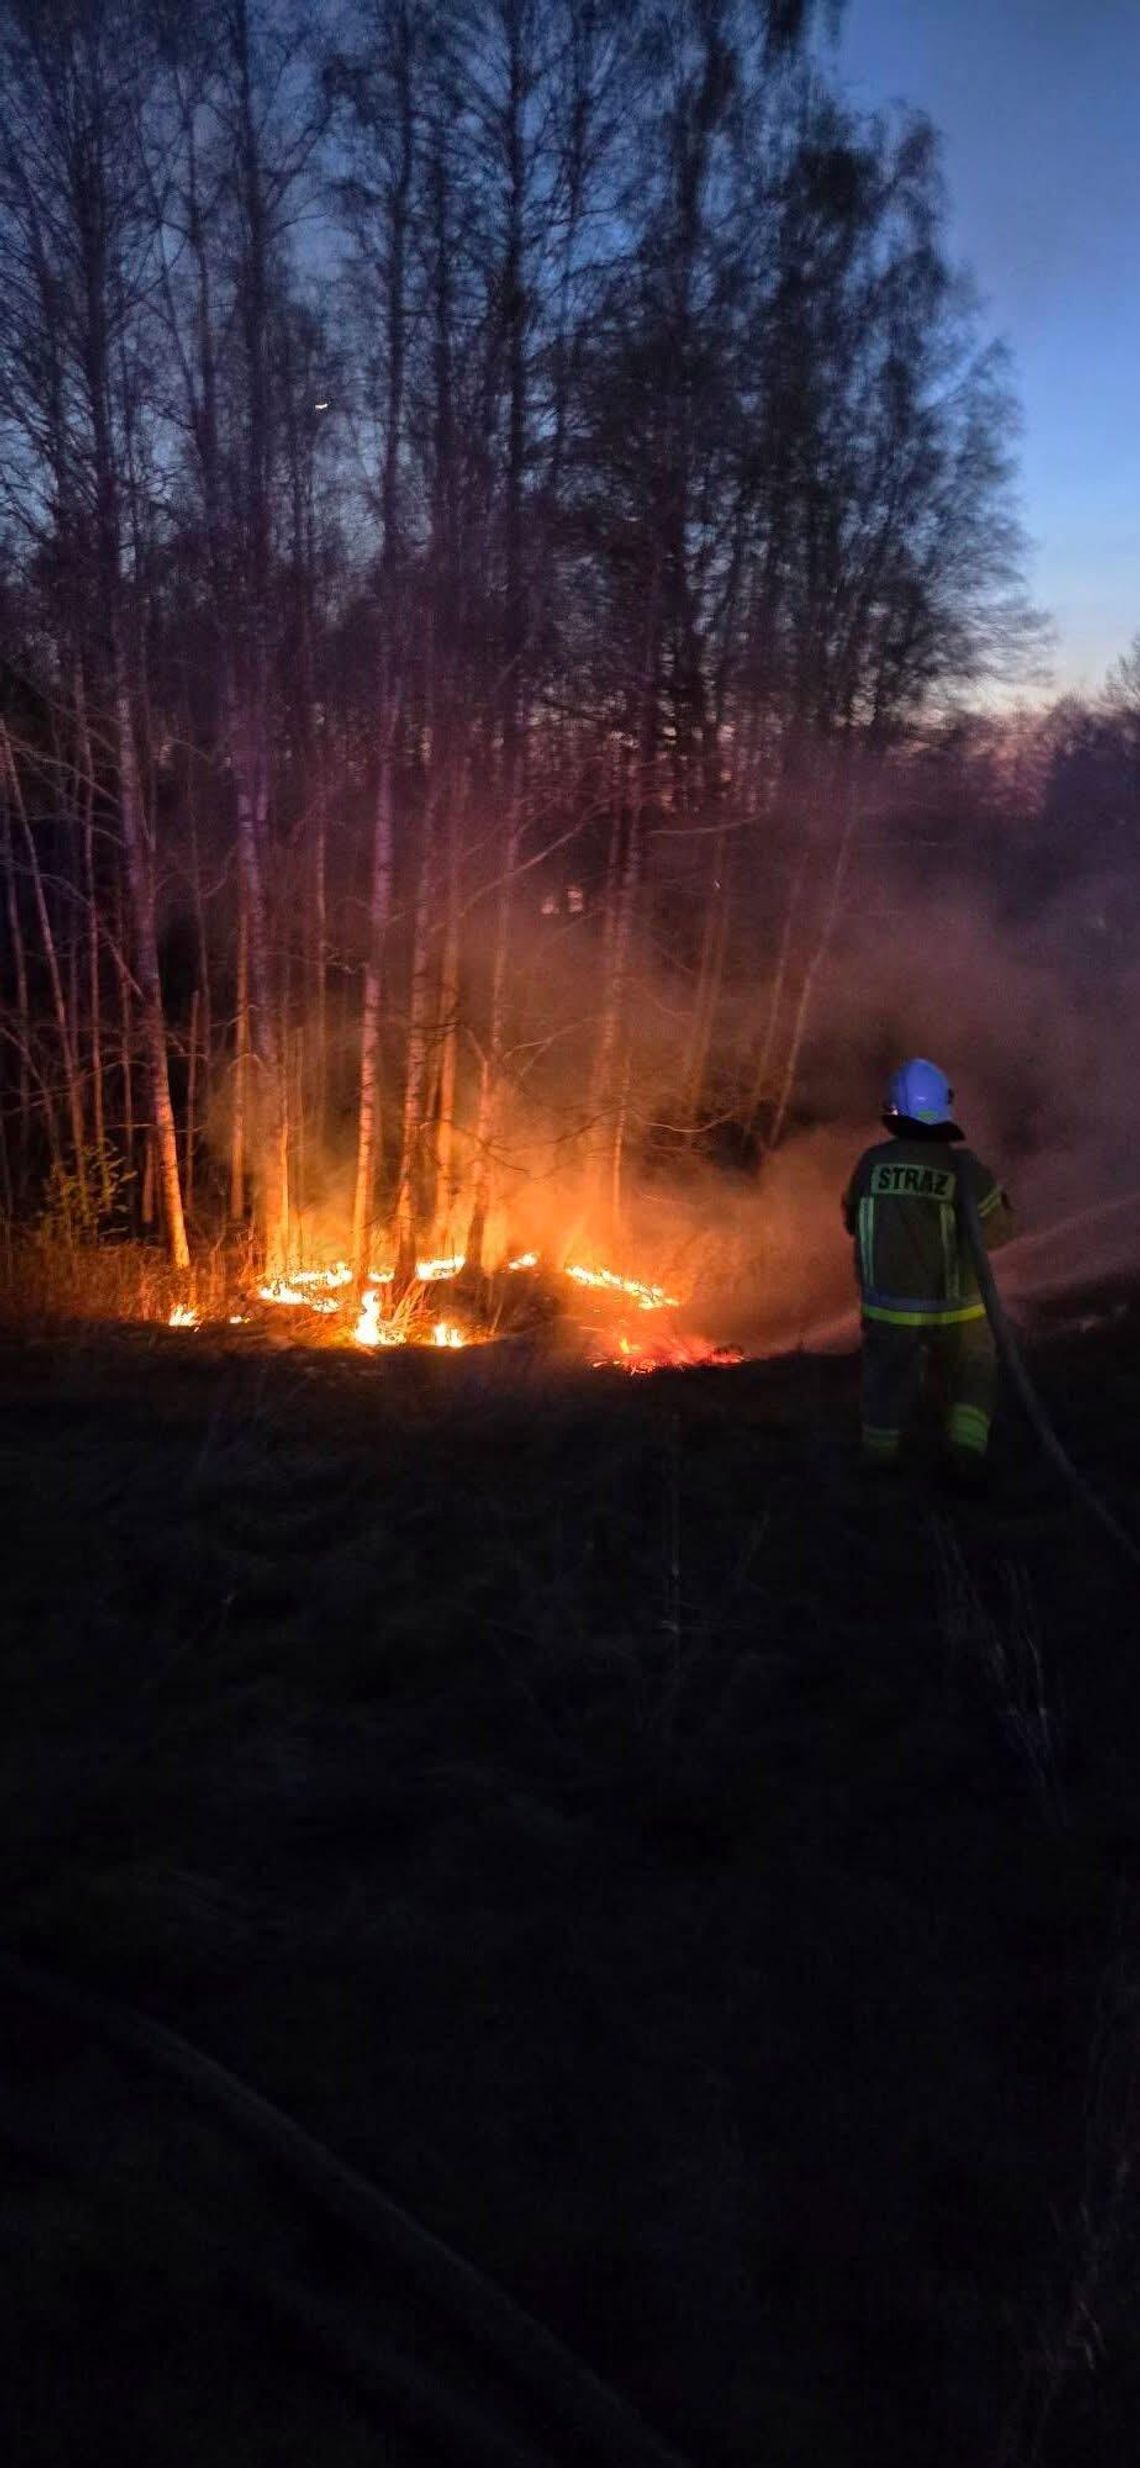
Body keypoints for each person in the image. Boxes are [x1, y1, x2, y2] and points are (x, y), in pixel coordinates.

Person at [842, 1058, 1014, 1482]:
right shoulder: (965, 1169)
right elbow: (999, 1232)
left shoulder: (870, 1164)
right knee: (974, 1368)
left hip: (888, 1309)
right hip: (956, 1308)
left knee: (885, 1380)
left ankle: (879, 1463)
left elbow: (851, 1220)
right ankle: (965, 1454)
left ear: (893, 1111)